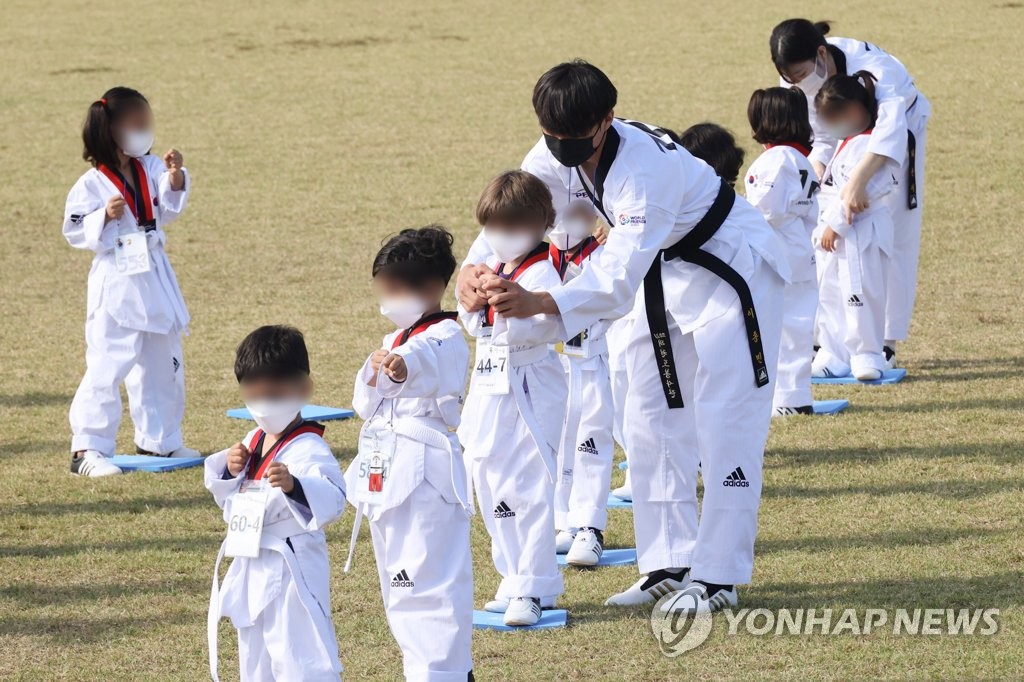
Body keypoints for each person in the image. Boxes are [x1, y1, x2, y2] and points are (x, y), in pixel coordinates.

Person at [459, 61, 787, 614]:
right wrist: (475, 270)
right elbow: (515, 221)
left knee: (727, 418)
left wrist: (544, 301)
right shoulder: (548, 155)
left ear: (607, 119)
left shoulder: (642, 173)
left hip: (732, 269)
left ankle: (718, 576)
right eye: (551, 136)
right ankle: (669, 562)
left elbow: (614, 276)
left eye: (575, 138)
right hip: (660, 275)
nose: (561, 149)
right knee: (648, 414)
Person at [345, 226, 474, 680]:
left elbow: (425, 361)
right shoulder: (393, 339)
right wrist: (377, 366)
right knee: (399, 585)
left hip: (425, 471)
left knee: (430, 582)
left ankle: (445, 673)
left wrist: (402, 367)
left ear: (433, 287)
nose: (389, 301)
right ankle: (423, 671)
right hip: (389, 469)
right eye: (386, 291)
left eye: (397, 290)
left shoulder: (444, 335)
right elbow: (365, 403)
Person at [770, 18, 931, 365]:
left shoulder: (877, 70)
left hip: (897, 135)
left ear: (821, 54)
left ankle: (884, 341)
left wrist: (858, 181)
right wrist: (812, 174)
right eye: (790, 78)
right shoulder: (794, 77)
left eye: (800, 75)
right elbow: (822, 133)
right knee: (830, 241)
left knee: (893, 235)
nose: (797, 83)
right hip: (844, 140)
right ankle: (828, 339)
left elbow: (890, 129)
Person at [606, 121, 745, 501]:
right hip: (641, 310)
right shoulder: (646, 194)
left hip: (668, 310)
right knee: (634, 389)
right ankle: (651, 460)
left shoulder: (677, 207)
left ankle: (667, 462)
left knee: (655, 392)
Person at [63, 86, 196, 476]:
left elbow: (168, 207)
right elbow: (73, 229)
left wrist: (174, 177)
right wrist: (102, 215)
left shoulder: (149, 167)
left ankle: (160, 441)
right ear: (112, 131)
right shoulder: (91, 183)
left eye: (147, 124)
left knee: (162, 359)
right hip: (117, 275)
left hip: (152, 270)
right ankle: (87, 448)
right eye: (137, 125)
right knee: (108, 361)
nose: (145, 132)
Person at [206, 325, 346, 681]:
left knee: (299, 654)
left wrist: (295, 486)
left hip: (291, 562)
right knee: (255, 655)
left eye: (274, 393)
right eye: (255, 394)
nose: (265, 404)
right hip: (252, 554)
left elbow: (334, 496)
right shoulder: (252, 438)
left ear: (304, 388)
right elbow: (229, 501)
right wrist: (230, 469)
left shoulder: (310, 446)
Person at [457, 170, 566, 626]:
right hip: (487, 382)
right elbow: (471, 323)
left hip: (531, 380)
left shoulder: (544, 269)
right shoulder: (494, 264)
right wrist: (475, 303)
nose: (501, 238)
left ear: (541, 225)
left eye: (513, 228)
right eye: (494, 228)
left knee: (528, 483)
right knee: (487, 476)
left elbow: (550, 320)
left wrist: (507, 306)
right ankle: (510, 573)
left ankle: (534, 584)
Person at [812, 72, 900, 382]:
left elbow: (860, 193)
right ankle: (834, 353)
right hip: (834, 237)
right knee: (830, 295)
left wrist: (835, 225)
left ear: (854, 111)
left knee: (860, 294)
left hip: (860, 234)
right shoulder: (845, 142)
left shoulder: (868, 144)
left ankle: (867, 354)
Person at [549, 199, 617, 566]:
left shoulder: (604, 256)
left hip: (591, 358)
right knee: (558, 439)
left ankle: (590, 526)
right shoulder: (539, 259)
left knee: (592, 438)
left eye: (581, 210)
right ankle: (565, 521)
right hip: (551, 364)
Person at [745, 87, 821, 414]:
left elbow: (766, 210)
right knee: (798, 326)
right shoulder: (801, 159)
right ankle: (796, 395)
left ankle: (786, 398)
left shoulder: (775, 160)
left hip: (776, 255)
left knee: (780, 328)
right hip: (799, 250)